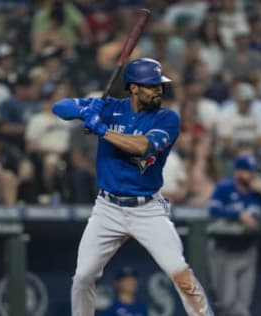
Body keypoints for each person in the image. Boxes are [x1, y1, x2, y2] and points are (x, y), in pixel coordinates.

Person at [52, 57, 214, 316]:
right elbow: (59, 107)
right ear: (134, 88)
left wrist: (102, 130)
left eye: (159, 85)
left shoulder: (167, 118)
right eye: (151, 86)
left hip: (147, 209)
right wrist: (84, 110)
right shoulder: (110, 107)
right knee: (83, 277)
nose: (158, 90)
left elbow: (141, 147)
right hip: (108, 208)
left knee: (179, 271)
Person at [208, 154, 261, 316]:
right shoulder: (224, 188)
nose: (250, 175)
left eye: (252, 172)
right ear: (237, 172)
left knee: (243, 303)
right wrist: (238, 213)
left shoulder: (258, 192)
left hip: (248, 251)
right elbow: (213, 209)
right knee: (227, 303)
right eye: (247, 171)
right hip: (224, 251)